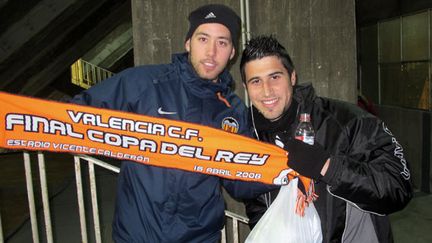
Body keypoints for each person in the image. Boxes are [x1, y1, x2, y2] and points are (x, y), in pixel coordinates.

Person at [71, 4, 273, 242]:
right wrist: (22, 119)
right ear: (188, 43)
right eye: (203, 39)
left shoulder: (233, 111)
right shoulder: (143, 83)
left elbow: (239, 183)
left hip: (199, 238)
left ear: (231, 53)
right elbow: (74, 114)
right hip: (136, 235)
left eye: (222, 42)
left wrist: (281, 169)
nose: (211, 52)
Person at [240, 35, 413, 242]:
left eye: (275, 77)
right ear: (246, 87)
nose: (267, 91)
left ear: (292, 77)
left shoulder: (348, 122)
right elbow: (257, 206)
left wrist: (329, 167)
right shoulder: (249, 137)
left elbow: (398, 186)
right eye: (256, 81)